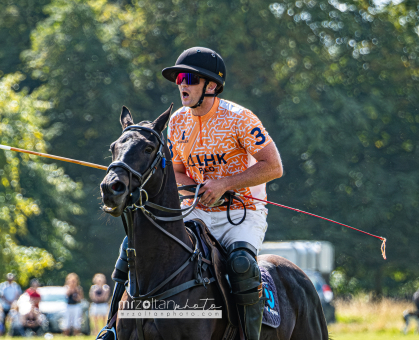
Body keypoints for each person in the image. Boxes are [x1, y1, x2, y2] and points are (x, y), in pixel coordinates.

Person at [98, 47, 283, 340]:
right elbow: (178, 171)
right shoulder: (180, 121)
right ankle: (111, 327)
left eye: (189, 78)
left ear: (211, 86)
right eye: (178, 79)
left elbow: (273, 166)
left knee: (242, 264)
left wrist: (224, 184)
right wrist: (197, 189)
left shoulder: (241, 119)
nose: (181, 84)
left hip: (241, 213)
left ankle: (249, 336)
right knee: (129, 249)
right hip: (194, 210)